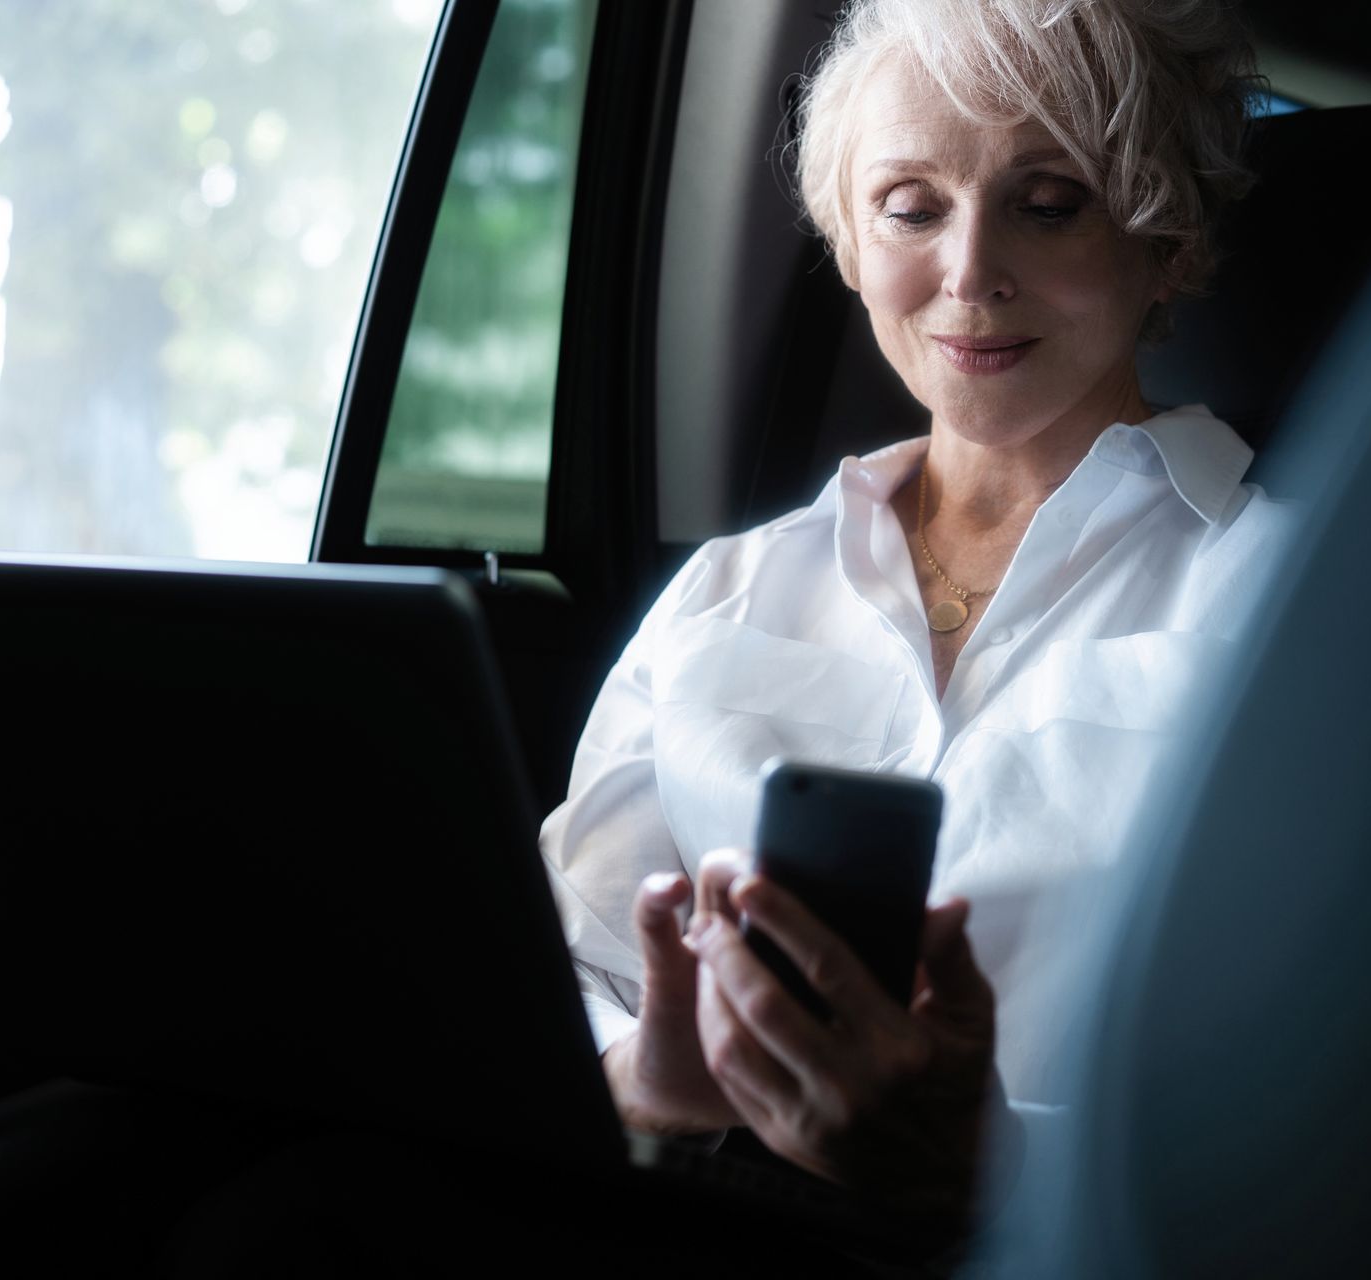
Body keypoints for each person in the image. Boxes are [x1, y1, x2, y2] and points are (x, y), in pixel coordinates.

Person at [540, 0, 1291, 1219]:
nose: (970, 272)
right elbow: (563, 969)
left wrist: (990, 1160)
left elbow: (1340, 1098)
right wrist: (646, 1074)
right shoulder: (729, 588)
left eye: (1050, 202)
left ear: (1166, 238)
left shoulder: (1291, 602)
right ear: (847, 239)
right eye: (911, 206)